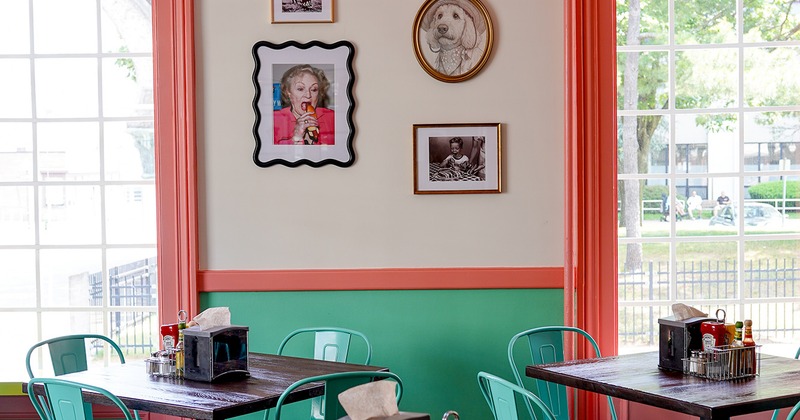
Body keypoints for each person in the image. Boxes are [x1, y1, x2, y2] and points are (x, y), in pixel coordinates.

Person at [273, 64, 335, 145]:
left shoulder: (332, 117)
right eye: (300, 89)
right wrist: (295, 138)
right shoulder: (274, 120)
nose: (308, 95)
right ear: (288, 92)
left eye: (314, 89)